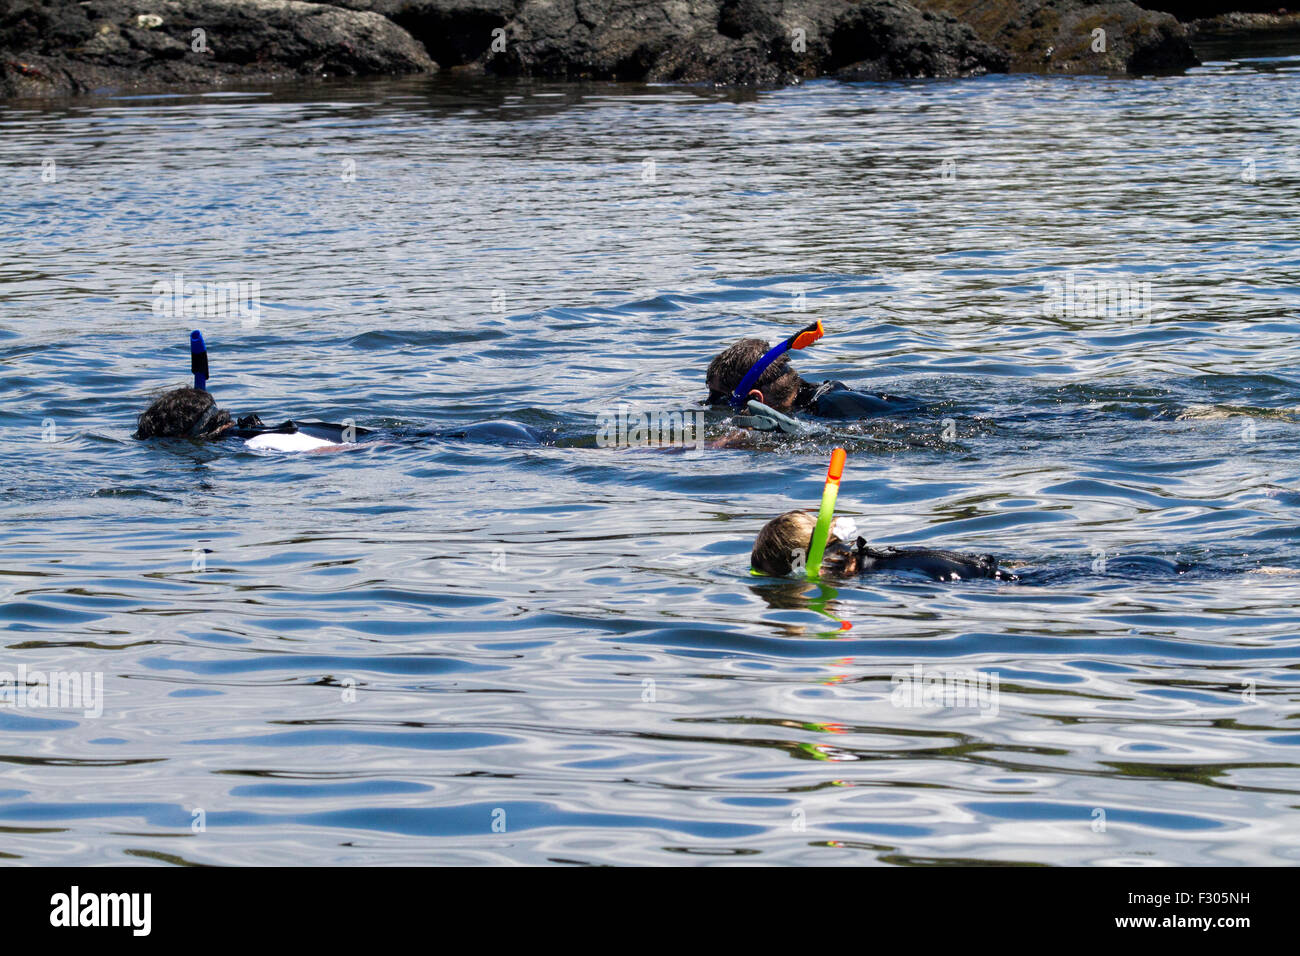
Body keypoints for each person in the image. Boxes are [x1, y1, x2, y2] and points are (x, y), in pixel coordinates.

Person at [750, 510, 1015, 582]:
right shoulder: (874, 561)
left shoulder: (879, 576)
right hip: (983, 568)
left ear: (802, 565)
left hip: (988, 583)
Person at [705, 334, 919, 419]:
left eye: (718, 397)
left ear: (756, 399)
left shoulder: (832, 409)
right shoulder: (815, 400)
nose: (708, 404)